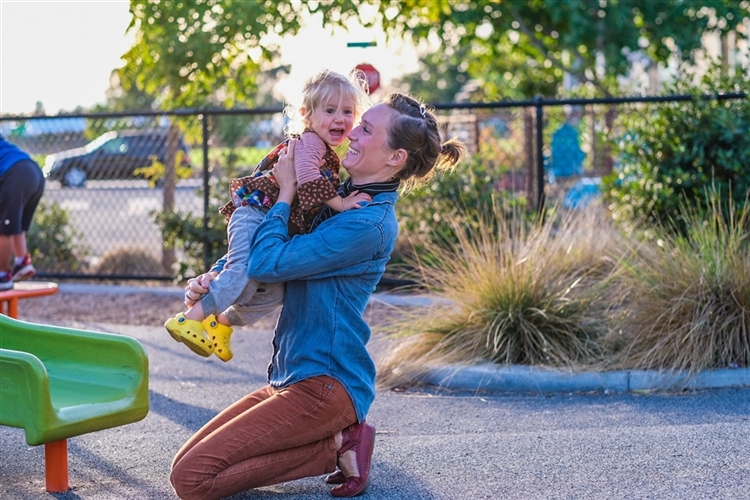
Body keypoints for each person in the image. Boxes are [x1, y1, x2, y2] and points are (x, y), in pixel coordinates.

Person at [169, 93, 465, 499]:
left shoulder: (367, 223)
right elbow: (257, 244)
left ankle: (337, 447)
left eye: (366, 129)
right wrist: (216, 278)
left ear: (395, 158)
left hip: (326, 384)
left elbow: (267, 263)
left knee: (192, 479)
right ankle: (332, 442)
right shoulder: (332, 195)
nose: (353, 133)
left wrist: (287, 191)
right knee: (185, 464)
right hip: (289, 376)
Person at [164, 69, 371, 362]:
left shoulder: (326, 150)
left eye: (347, 111)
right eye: (329, 110)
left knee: (274, 291)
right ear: (307, 115)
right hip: (255, 213)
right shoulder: (310, 143)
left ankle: (220, 323)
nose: (340, 118)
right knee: (241, 272)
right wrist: (342, 203)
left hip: (273, 221)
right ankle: (188, 319)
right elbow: (310, 177)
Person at [0, 135, 45, 291]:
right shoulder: (4, 146)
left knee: (3, 229)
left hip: (15, 174)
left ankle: (3, 276)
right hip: (34, 172)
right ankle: (22, 263)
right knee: (14, 224)